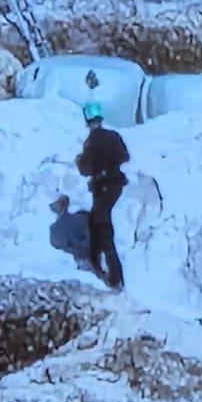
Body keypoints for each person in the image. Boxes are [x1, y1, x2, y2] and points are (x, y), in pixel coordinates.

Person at [75, 100, 130, 291]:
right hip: (115, 182)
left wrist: (81, 160)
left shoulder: (92, 142)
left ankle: (115, 275)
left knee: (101, 224)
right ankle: (96, 262)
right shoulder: (113, 136)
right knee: (95, 220)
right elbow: (125, 156)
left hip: (103, 185)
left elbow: (85, 168)